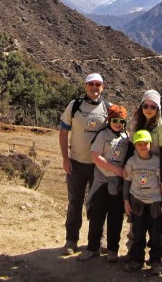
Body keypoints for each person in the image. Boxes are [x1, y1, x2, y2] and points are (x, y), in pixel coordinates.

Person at [59, 73, 109, 255]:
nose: (94, 88)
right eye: (91, 84)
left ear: (102, 87)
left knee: (98, 205)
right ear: (85, 86)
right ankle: (71, 240)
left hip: (99, 167)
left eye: (98, 84)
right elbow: (63, 133)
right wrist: (65, 158)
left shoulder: (107, 108)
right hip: (77, 164)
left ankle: (96, 242)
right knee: (75, 203)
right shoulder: (74, 106)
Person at [123, 90, 162, 264]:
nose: (149, 109)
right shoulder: (137, 124)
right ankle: (134, 252)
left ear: (158, 108)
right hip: (138, 172)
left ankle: (160, 254)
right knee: (137, 217)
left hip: (157, 173)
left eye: (153, 106)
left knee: (158, 217)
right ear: (141, 107)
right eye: (146, 105)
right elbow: (130, 150)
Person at [77, 104, 131, 262]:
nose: (118, 124)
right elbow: (95, 156)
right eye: (114, 120)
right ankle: (92, 248)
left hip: (118, 184)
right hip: (102, 181)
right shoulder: (102, 135)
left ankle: (113, 249)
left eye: (121, 121)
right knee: (97, 216)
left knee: (116, 218)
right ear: (109, 120)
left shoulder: (126, 138)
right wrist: (116, 169)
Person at [122, 130, 162, 275]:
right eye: (139, 144)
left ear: (150, 144)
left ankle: (155, 262)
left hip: (155, 202)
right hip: (137, 202)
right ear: (135, 145)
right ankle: (137, 260)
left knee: (156, 235)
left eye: (145, 143)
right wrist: (126, 201)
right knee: (138, 234)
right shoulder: (131, 162)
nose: (142, 146)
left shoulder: (157, 161)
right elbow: (126, 182)